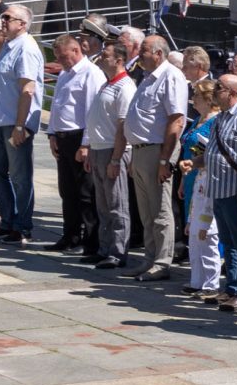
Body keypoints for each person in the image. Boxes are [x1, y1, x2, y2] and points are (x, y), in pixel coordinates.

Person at [123, 36, 189, 281]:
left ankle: (162, 262)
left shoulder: (171, 76)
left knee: (160, 211)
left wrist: (165, 160)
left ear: (159, 53)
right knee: (146, 211)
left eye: (144, 50)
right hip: (140, 151)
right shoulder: (148, 77)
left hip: (157, 151)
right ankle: (149, 258)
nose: (140, 54)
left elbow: (176, 120)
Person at [0, 5, 42, 242]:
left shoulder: (25, 48)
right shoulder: (7, 45)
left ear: (22, 24)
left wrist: (20, 125)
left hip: (14, 122)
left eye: (7, 18)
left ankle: (22, 226)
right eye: (2, 17)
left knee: (20, 176)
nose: (2, 21)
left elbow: (28, 88)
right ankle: (7, 221)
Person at [201, 75, 237, 314]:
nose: (215, 91)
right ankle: (232, 287)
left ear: (233, 92)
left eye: (220, 88)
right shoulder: (221, 117)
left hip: (234, 190)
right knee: (228, 242)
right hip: (218, 189)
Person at [81, 41, 136, 268]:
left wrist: (115, 158)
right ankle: (104, 248)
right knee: (102, 205)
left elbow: (123, 126)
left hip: (112, 151)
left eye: (106, 55)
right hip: (98, 149)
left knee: (117, 204)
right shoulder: (107, 84)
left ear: (119, 60)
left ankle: (118, 251)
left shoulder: (125, 86)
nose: (101, 58)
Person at [42, 34, 98, 254]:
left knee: (85, 193)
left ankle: (89, 240)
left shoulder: (90, 73)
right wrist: (52, 133)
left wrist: (86, 144)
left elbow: (92, 110)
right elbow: (57, 106)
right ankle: (70, 236)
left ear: (76, 50)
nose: (61, 62)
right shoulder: (66, 74)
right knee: (67, 192)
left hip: (79, 137)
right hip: (63, 137)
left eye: (64, 57)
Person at [179, 81, 222, 297]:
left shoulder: (216, 121)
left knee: (207, 233)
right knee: (193, 232)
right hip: (192, 178)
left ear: (207, 98)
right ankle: (196, 280)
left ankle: (210, 283)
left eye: (196, 94)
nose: (192, 98)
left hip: (209, 179)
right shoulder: (197, 119)